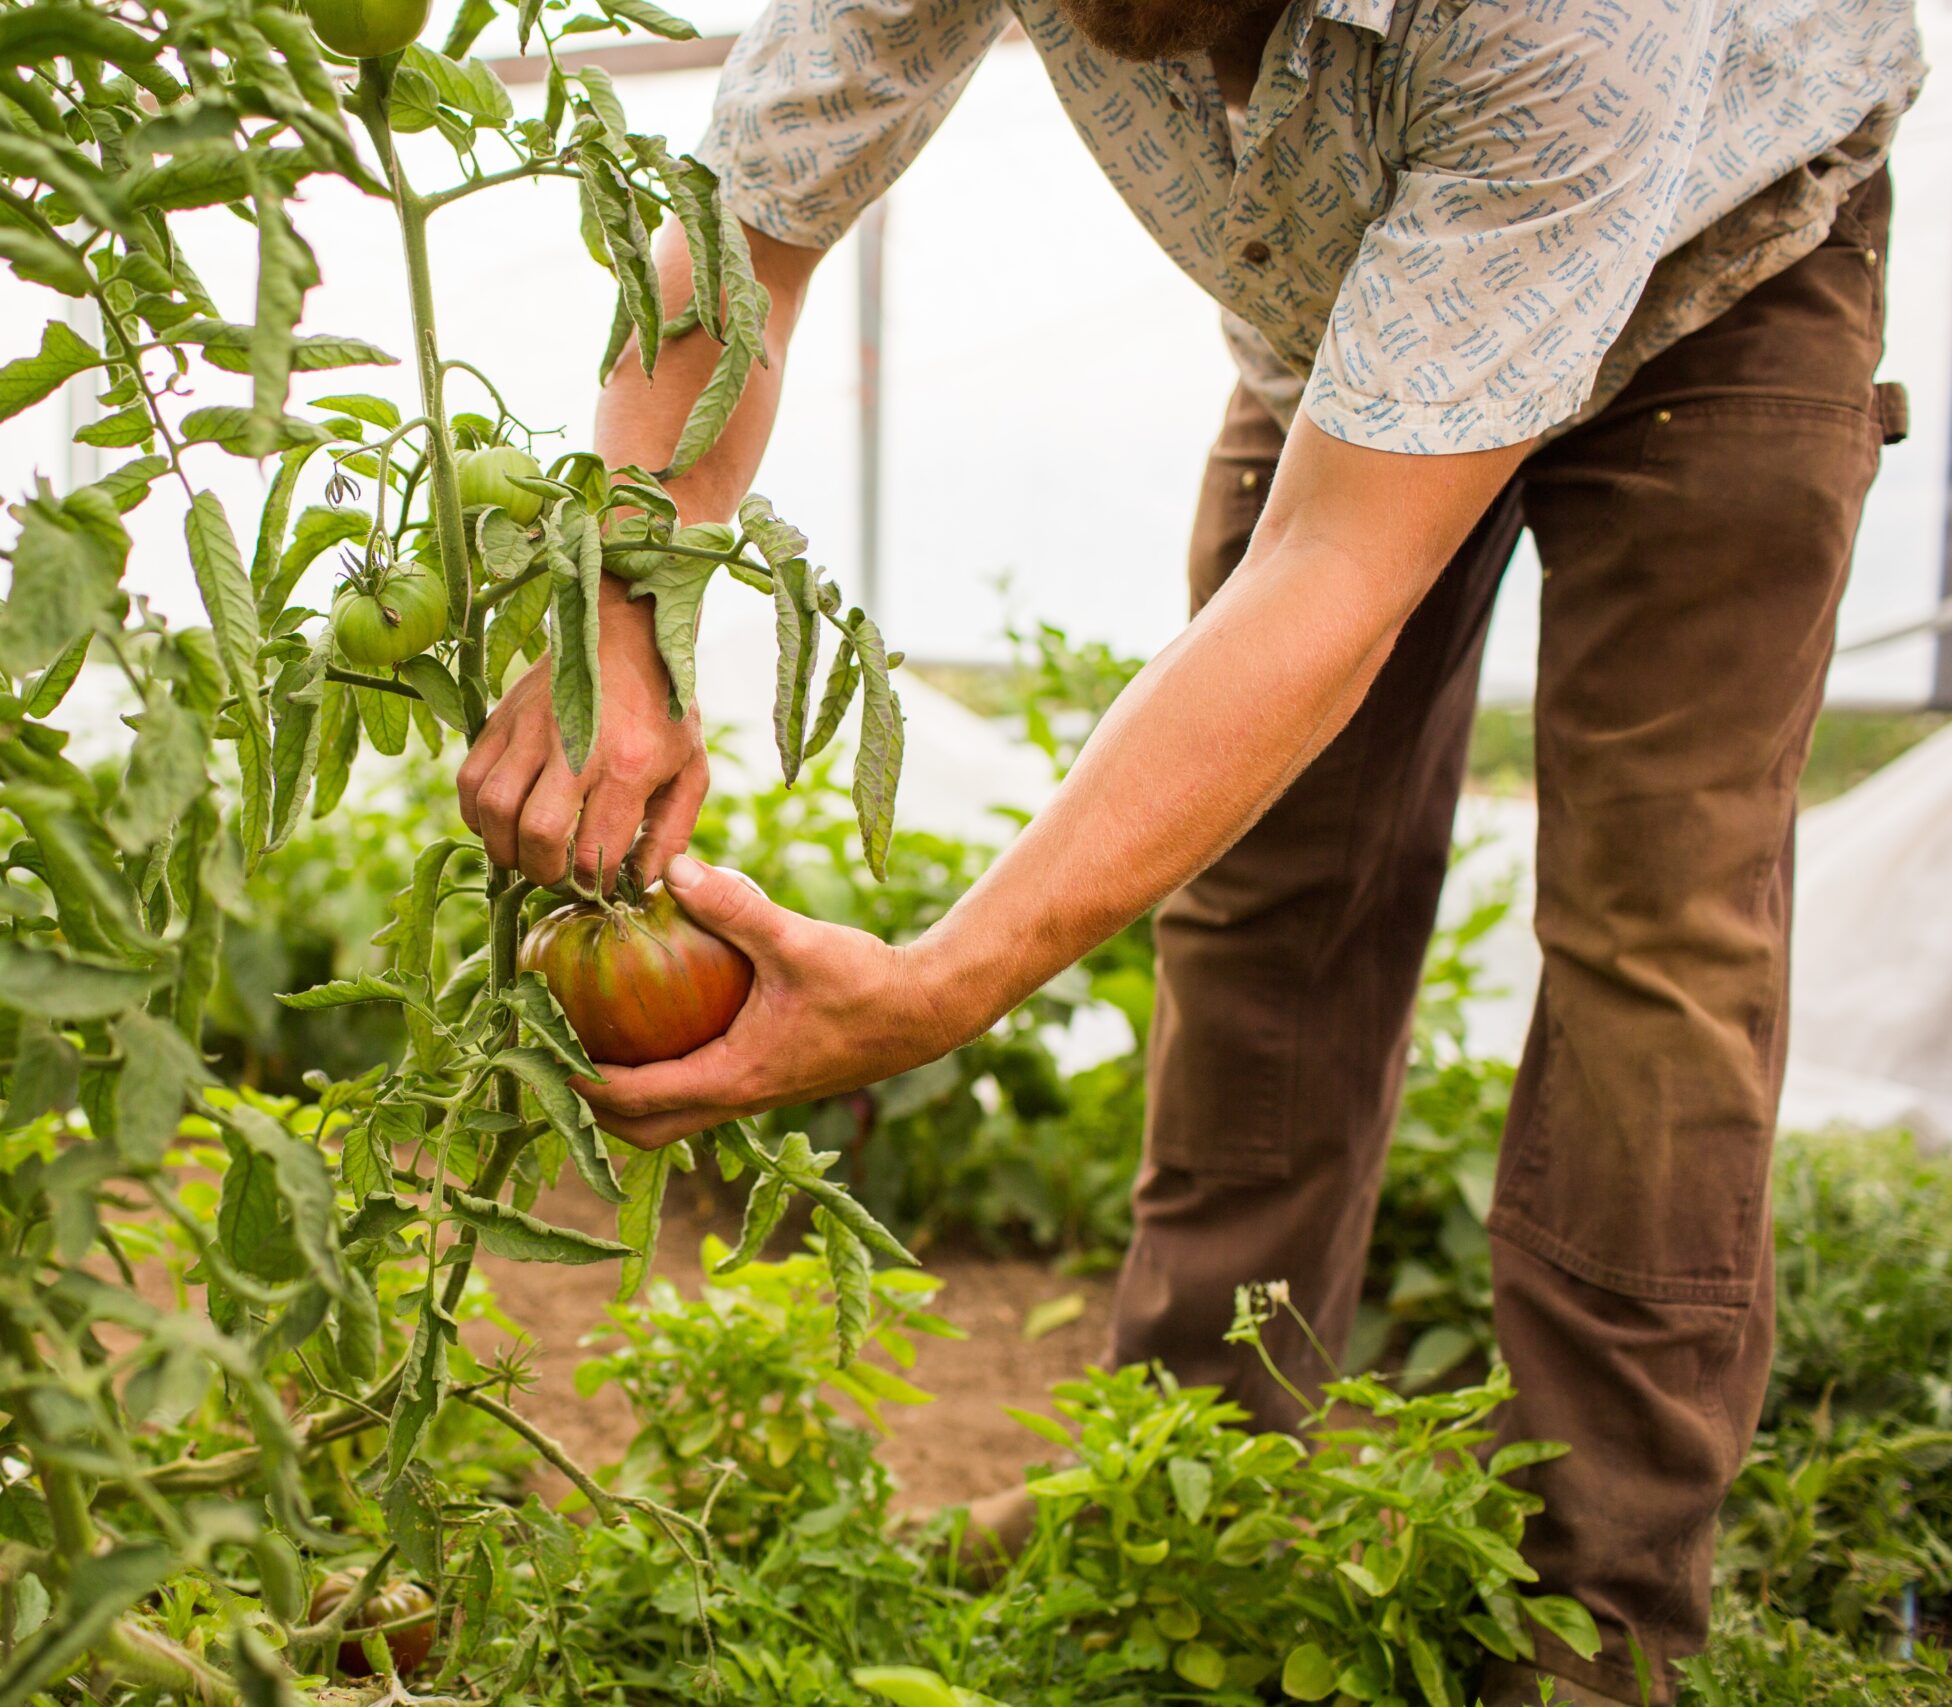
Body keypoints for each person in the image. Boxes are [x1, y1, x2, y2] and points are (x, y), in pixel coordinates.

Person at [453, 1, 1926, 1699]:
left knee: (1654, 949)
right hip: (1333, 337)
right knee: (1261, 907)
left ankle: (1596, 1616)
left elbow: (1333, 567)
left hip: (1717, 284)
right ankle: (1184, 1485)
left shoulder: (1561, 26)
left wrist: (947, 982)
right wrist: (623, 592)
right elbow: (742, 229)